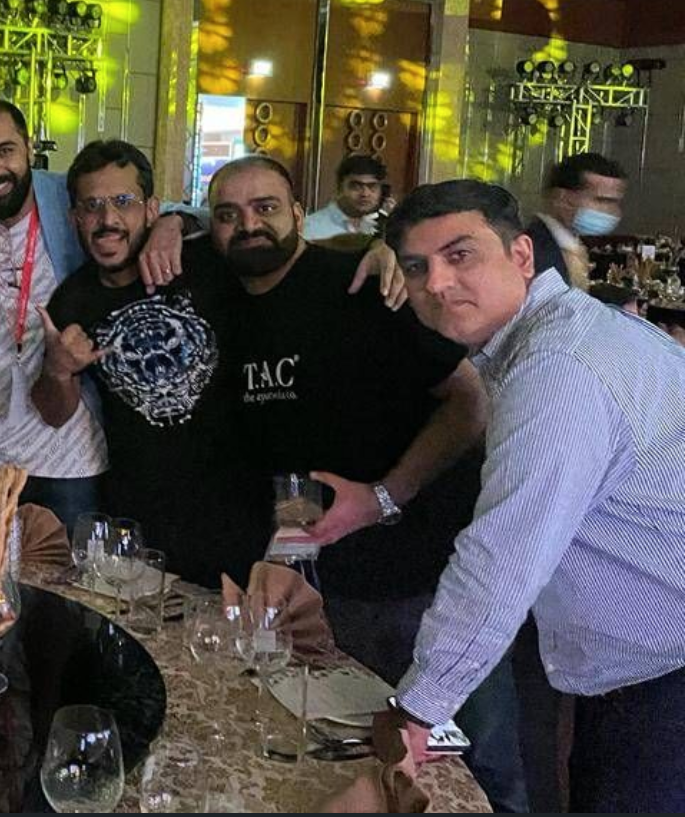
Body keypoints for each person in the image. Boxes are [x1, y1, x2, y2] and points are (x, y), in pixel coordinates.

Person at [206, 156, 528, 813]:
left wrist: (386, 495)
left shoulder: (360, 286)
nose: (248, 225)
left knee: (479, 761)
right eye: (228, 214)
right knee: (386, 760)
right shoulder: (230, 312)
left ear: (300, 213)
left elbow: (469, 403)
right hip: (347, 582)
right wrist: (290, 553)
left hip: (437, 573)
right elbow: (290, 451)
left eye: (266, 207)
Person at [385, 180, 685, 814]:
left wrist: (415, 708)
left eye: (460, 255)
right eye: (417, 267)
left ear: (522, 256)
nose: (436, 283)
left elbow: (502, 560)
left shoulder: (559, 368)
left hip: (667, 676)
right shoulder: (564, 335)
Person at [33, 141, 269, 585]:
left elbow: (277, 247)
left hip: (237, 509)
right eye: (92, 206)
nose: (108, 221)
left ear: (151, 208)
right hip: (137, 520)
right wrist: (57, 368)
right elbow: (53, 412)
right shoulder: (72, 300)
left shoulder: (202, 262)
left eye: (124, 202)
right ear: (74, 218)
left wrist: (379, 251)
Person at [0, 101, 121, 526]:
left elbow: (152, 212)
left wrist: (173, 227)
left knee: (68, 586)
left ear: (29, 146)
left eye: (5, 151)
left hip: (69, 452)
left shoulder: (69, 197)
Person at [525, 151, 627, 288]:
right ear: (562, 198)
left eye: (615, 202)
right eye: (602, 200)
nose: (611, 211)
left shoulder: (571, 246)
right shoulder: (534, 251)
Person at [303, 154, 387, 241]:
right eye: (356, 186)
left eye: (372, 186)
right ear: (339, 188)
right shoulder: (313, 227)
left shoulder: (381, 227)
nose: (365, 194)